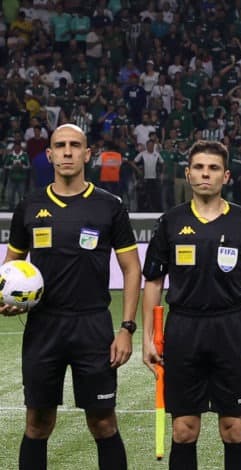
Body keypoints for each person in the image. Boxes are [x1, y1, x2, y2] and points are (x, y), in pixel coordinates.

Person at [2, 124, 141, 470]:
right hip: (43, 327)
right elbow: (10, 268)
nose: (67, 152)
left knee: (103, 422)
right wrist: (6, 299)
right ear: (49, 155)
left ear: (86, 154)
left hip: (93, 325)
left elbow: (131, 269)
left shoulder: (109, 206)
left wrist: (126, 328)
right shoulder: (29, 207)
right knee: (38, 422)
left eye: (74, 145)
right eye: (60, 146)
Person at [141, 140, 241, 470]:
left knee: (234, 429)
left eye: (213, 168)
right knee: (184, 430)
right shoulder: (169, 222)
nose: (205, 174)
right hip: (184, 329)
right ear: (188, 174)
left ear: (225, 176)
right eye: (199, 167)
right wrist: (147, 337)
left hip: (232, 329)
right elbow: (154, 282)